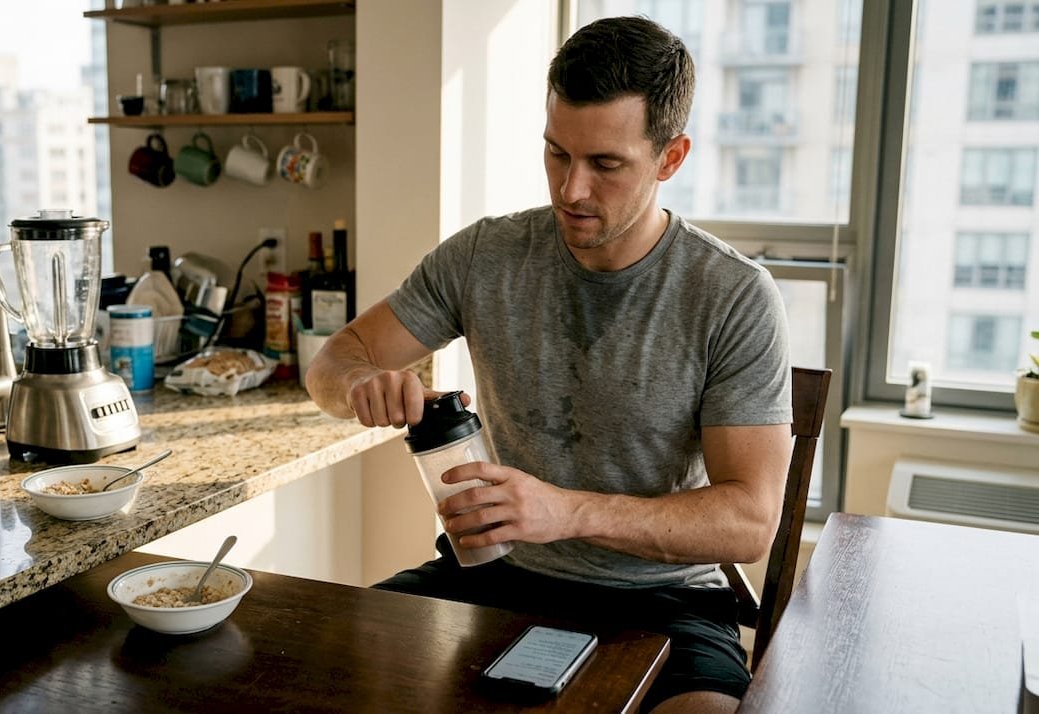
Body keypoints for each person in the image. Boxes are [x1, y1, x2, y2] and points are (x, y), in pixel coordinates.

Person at [305, 15, 792, 714]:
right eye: (557, 154)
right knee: (306, 660)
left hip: (662, 601)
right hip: (494, 579)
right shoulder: (485, 256)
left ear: (671, 157)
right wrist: (360, 386)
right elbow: (332, 362)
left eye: (605, 164)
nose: (570, 190)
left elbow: (748, 521)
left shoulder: (731, 294)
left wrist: (563, 511)